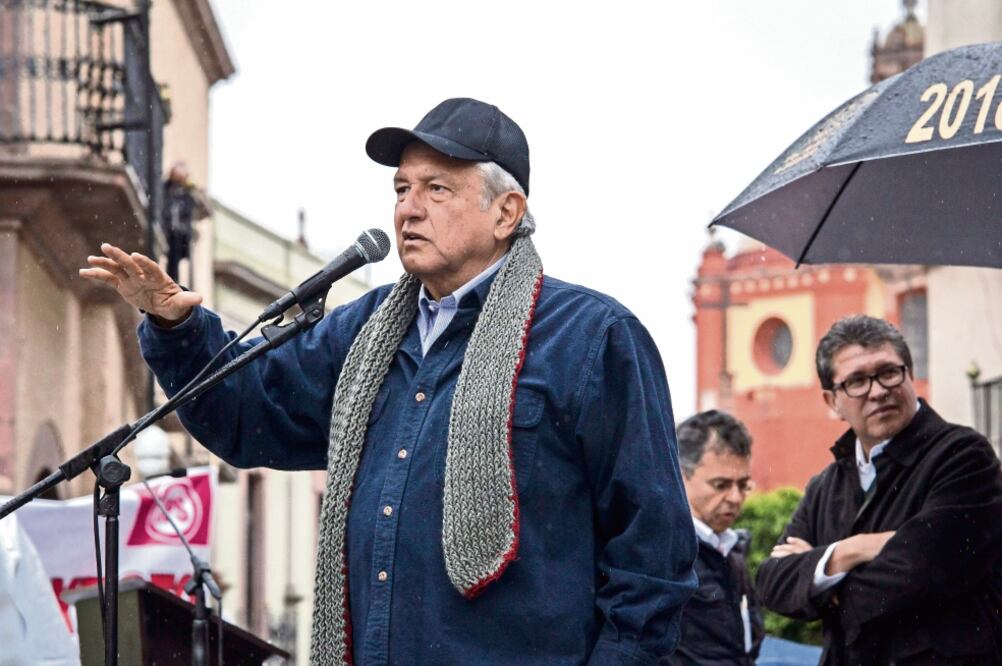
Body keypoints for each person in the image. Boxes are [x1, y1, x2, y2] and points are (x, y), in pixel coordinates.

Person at [80, 98, 697, 665]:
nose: (408, 207)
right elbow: (249, 417)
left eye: (437, 188)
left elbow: (653, 554)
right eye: (401, 188)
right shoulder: (364, 330)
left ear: (507, 212)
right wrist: (178, 324)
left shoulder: (593, 339)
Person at [756, 315, 1002, 665]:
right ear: (832, 402)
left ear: (910, 374)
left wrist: (825, 585)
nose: (877, 391)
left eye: (888, 372)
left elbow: (925, 570)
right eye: (856, 381)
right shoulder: (826, 485)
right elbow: (772, 582)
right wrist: (850, 550)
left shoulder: (963, 456)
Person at [665, 410, 764, 665]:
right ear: (681, 475)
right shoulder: (662, 555)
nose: (735, 497)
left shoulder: (732, 549)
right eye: (721, 485)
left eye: (743, 485)